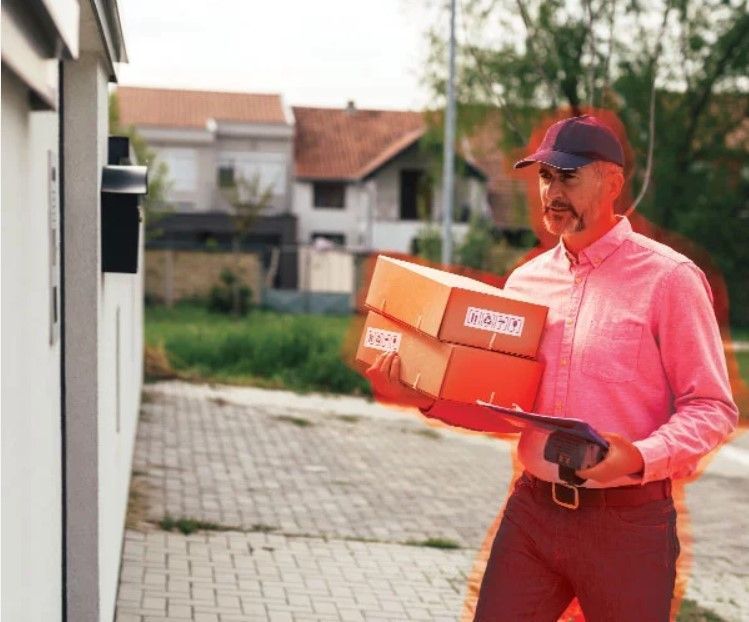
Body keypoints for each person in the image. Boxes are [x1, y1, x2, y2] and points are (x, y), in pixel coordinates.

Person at [365, 115, 738, 621]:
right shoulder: (524, 285)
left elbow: (712, 408)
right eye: (545, 177)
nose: (552, 191)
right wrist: (425, 398)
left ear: (612, 183)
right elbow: (506, 410)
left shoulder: (670, 281)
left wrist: (639, 457)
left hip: (628, 527)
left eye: (568, 176)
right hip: (534, 515)